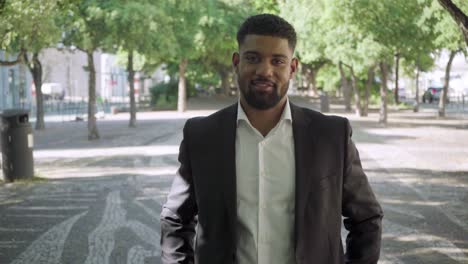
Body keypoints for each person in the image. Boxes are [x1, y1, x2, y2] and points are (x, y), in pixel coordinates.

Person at [160, 14, 383, 264]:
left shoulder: (331, 135)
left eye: (277, 61)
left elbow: (366, 218)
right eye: (253, 58)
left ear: (293, 67)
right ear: (237, 61)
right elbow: (175, 220)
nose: (265, 70)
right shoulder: (202, 136)